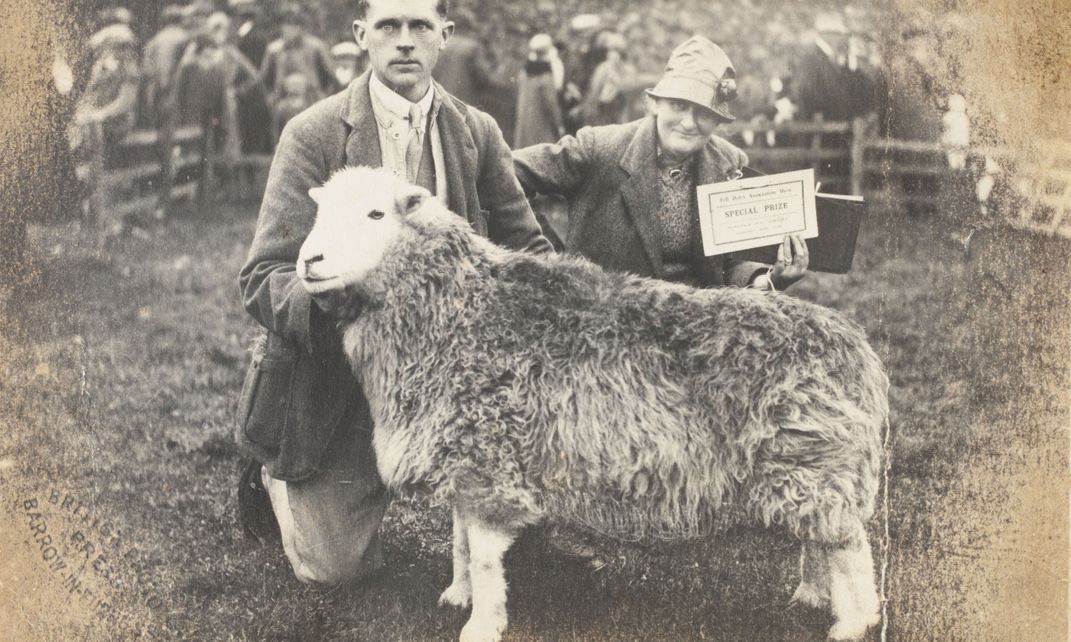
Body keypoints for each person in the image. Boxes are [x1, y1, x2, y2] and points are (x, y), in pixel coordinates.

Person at [236, 0, 553, 586]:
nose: (404, 41)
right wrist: (334, 304)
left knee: (531, 522)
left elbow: (528, 249)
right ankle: (274, 471)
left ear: (443, 36)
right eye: (388, 26)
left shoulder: (476, 132)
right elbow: (263, 275)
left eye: (420, 27)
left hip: (453, 388)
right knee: (334, 571)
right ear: (362, 35)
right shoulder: (312, 133)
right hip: (341, 385)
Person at [514, 35, 808, 291]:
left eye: (704, 113)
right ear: (655, 103)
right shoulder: (598, 148)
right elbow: (507, 173)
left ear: (718, 121)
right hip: (605, 328)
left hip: (695, 329)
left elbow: (730, 262)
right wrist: (550, 259)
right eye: (679, 105)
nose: (689, 123)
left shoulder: (730, 163)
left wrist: (768, 279)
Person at [259, 6, 337, 107]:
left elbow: (332, 77)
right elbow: (263, 80)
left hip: (312, 101)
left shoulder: (316, 47)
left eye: (294, 24)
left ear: (301, 27)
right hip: (282, 102)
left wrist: (325, 98)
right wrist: (271, 99)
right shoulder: (274, 50)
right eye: (286, 24)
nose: (289, 29)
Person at [513, 34, 565, 148]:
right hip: (542, 127)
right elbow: (551, 105)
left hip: (525, 124)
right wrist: (559, 126)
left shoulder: (524, 72)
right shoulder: (546, 77)